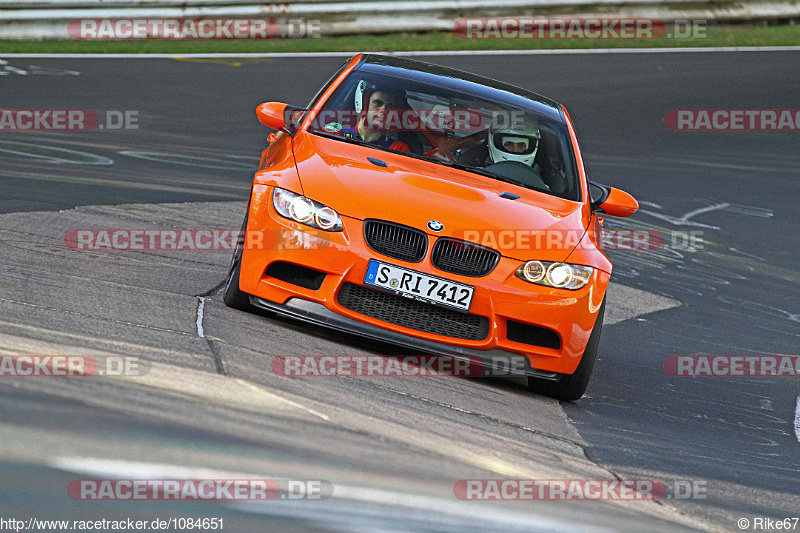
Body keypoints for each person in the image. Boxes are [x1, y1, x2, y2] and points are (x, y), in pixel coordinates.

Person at [325, 81, 410, 152]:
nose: (383, 111)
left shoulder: (399, 150)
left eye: (390, 107)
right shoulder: (333, 133)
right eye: (377, 103)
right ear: (363, 105)